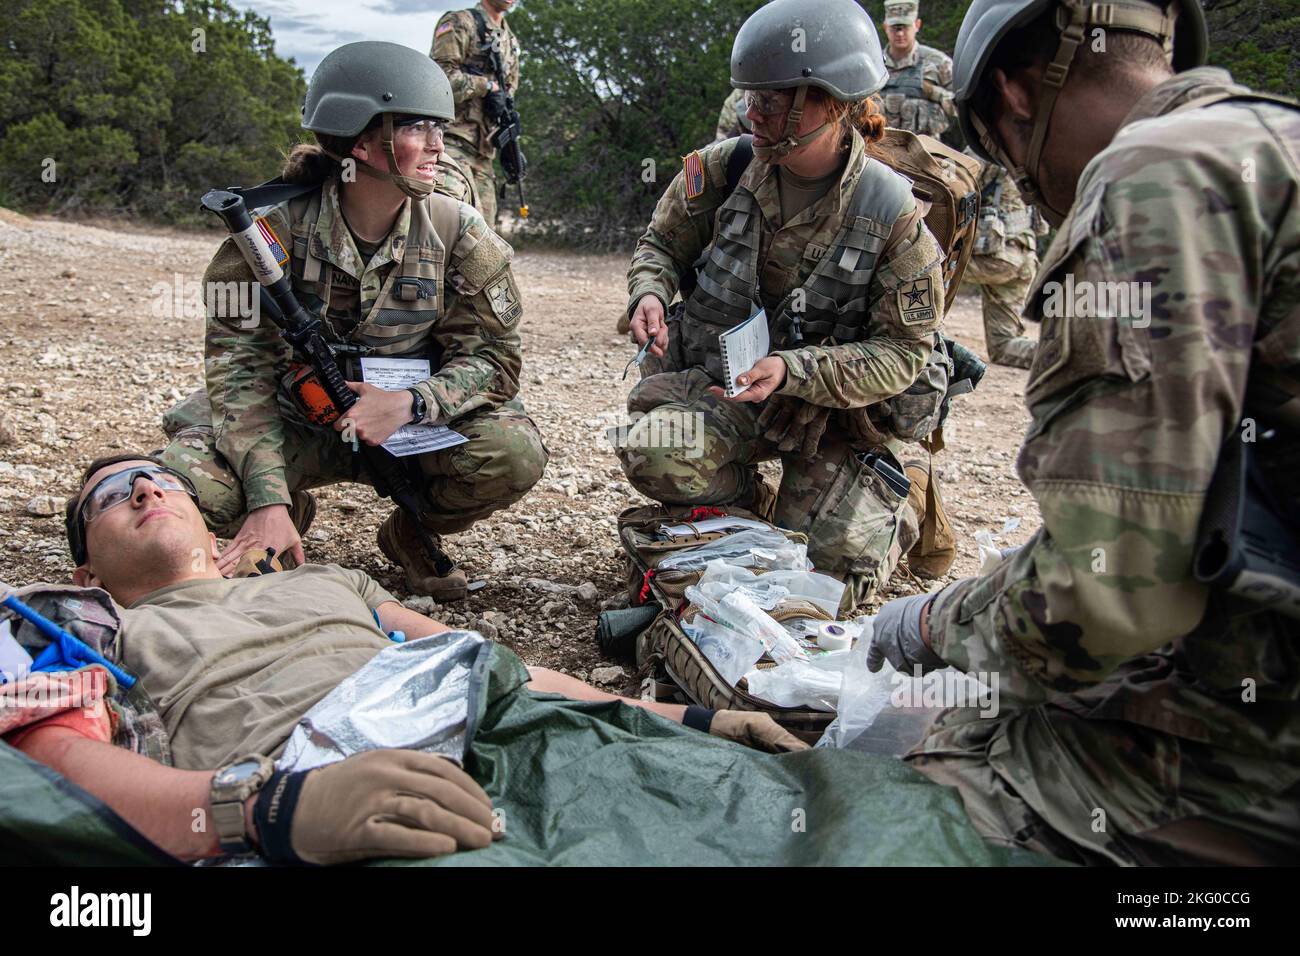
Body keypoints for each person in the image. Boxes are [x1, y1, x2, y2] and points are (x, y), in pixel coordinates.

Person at [868, 0, 1300, 864]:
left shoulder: (1157, 175)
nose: (1029, 189)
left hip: (1270, 757)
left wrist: (931, 627)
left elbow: (1108, 601)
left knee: (921, 791)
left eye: (1008, 160)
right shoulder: (1273, 143)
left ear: (1017, 97)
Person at [6, 453, 806, 865]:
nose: (144, 493)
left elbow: (494, 668)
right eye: (113, 498)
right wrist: (264, 811)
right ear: (87, 569)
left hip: (504, 738)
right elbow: (57, 770)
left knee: (783, 817)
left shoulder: (330, 582)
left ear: (217, 537)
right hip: (327, 793)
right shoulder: (82, 628)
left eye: (158, 481)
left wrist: (694, 719)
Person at [159, 42, 547, 602]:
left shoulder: (456, 230)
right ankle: (282, 510)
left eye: (439, 126)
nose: (439, 144)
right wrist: (265, 493)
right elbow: (239, 374)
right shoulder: (265, 236)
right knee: (188, 486)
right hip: (300, 415)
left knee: (512, 453)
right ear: (361, 141)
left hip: (407, 424)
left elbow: (495, 362)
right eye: (417, 127)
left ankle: (413, 530)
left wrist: (414, 402)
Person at [617, 0, 953, 610]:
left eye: (771, 100)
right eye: (751, 97)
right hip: (732, 393)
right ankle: (747, 500)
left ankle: (903, 488)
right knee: (658, 453)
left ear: (829, 101)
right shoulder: (726, 168)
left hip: (830, 416)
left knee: (821, 585)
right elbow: (661, 243)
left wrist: (793, 371)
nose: (753, 113)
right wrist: (649, 291)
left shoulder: (892, 212)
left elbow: (904, 355)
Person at [431, 0, 522, 225]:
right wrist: (486, 86)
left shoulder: (510, 40)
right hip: (451, 142)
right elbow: (439, 80)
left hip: (484, 151)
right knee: (457, 224)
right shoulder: (460, 22)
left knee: (486, 236)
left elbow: (509, 91)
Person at [963, 152, 1047, 368]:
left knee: (930, 271)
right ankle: (1060, 356)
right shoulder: (1035, 158)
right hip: (1025, 259)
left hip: (992, 256)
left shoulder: (985, 150)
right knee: (1004, 345)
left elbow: (954, 183)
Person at [878, 1, 955, 138]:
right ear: (885, 27)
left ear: (917, 25)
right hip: (878, 153)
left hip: (925, 154)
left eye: (905, 27)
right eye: (895, 28)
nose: (900, 33)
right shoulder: (873, 66)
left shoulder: (938, 62)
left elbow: (963, 107)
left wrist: (934, 93)